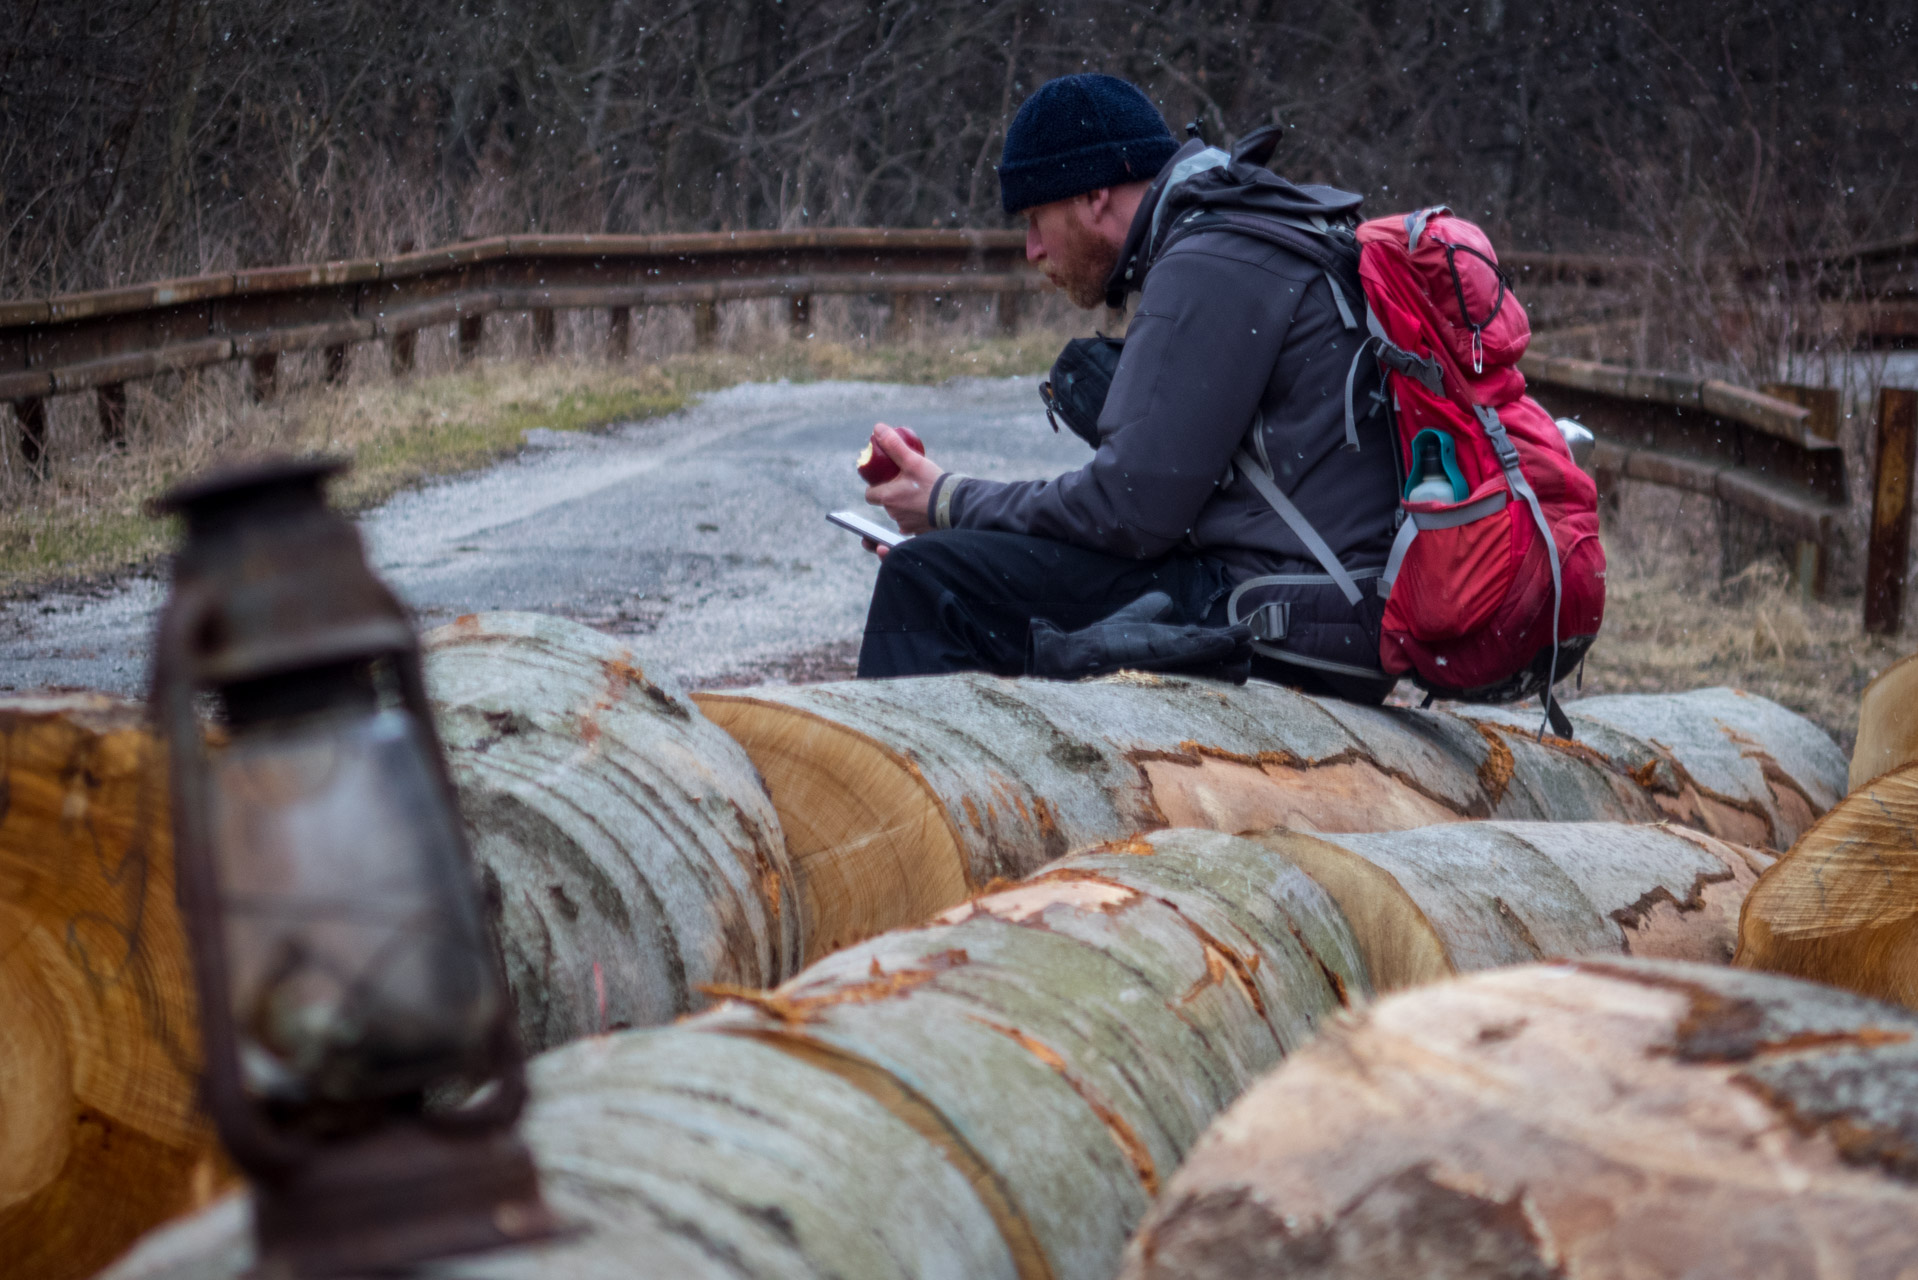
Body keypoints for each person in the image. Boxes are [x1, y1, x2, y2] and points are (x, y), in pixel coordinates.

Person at [857, 73, 1401, 702]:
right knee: (965, 572)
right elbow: (1146, 508)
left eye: (1036, 217)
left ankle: (908, 801)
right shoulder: (1245, 226)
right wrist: (969, 531)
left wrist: (950, 502)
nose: (1032, 249)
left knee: (927, 580)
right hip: (1319, 603)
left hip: (1290, 621)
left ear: (1093, 195)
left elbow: (1127, 511)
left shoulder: (1212, 258)